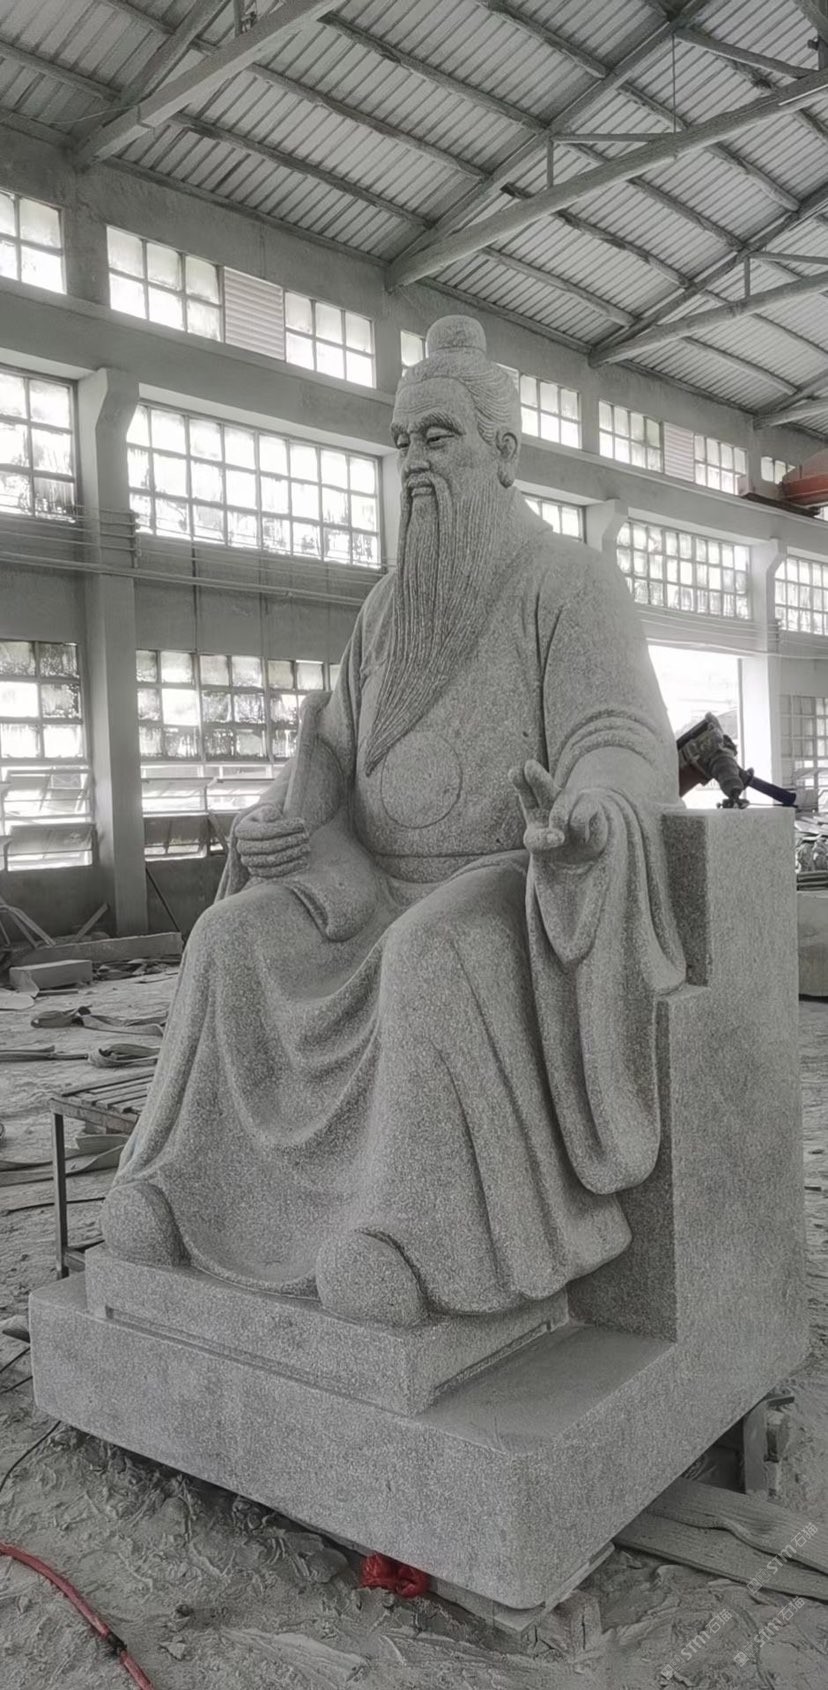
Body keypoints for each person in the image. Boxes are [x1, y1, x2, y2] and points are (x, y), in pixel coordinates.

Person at [103, 316, 685, 1325]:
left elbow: (616, 733)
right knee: (231, 935)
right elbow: (329, 747)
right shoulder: (383, 610)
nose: (413, 459)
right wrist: (282, 816)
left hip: (504, 875)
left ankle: (407, 1236)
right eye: (403, 439)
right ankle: (186, 1193)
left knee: (429, 952)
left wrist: (587, 813)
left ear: (505, 452)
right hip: (366, 878)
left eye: (439, 436)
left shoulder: (569, 581)